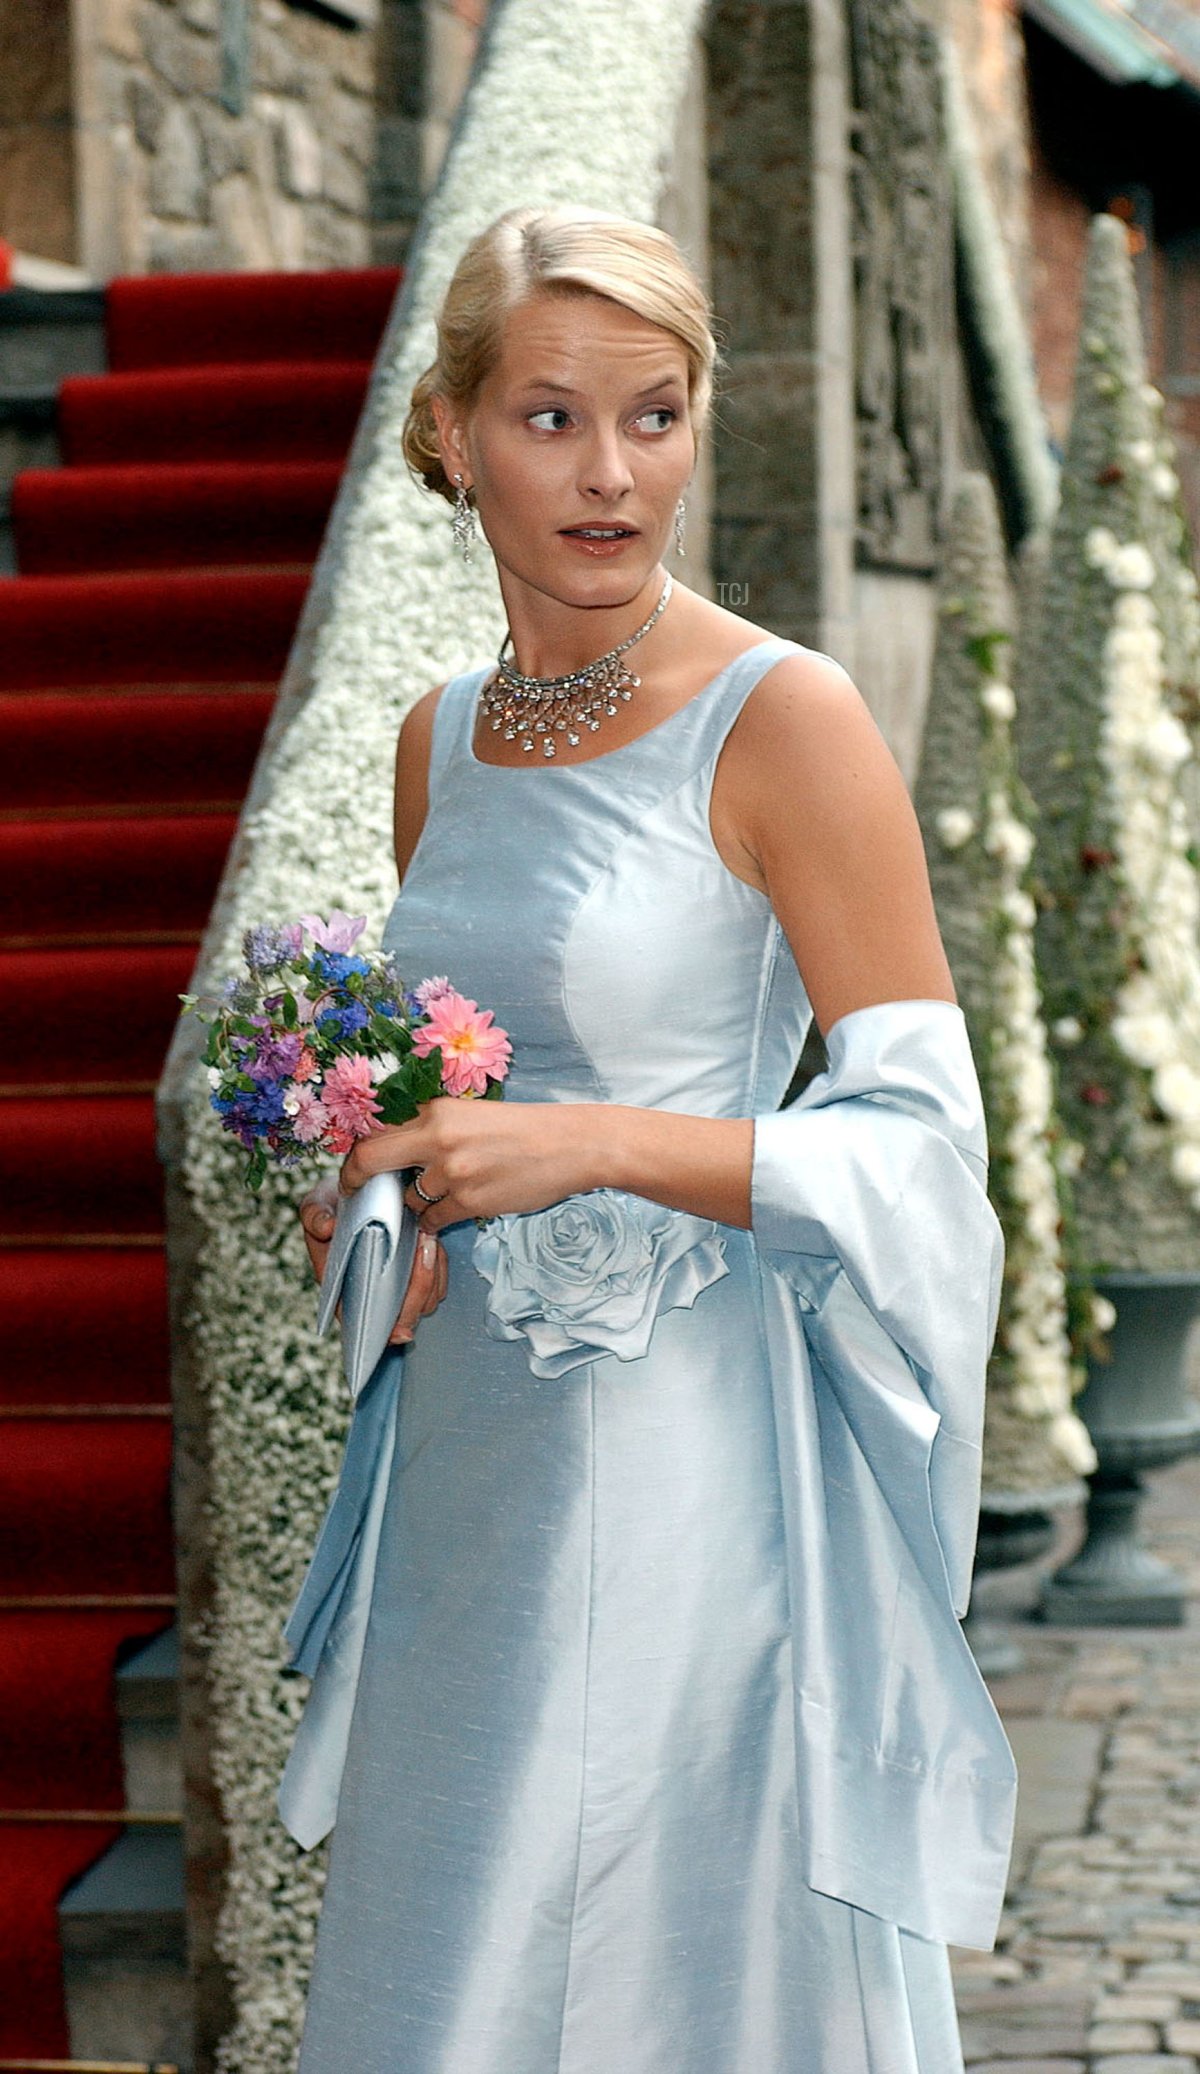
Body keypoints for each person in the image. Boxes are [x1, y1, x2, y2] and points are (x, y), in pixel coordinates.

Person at [283, 204, 1017, 2073]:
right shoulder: (436, 740)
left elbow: (928, 1150)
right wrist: (383, 1197)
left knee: (647, 1961)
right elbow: (463, 1073)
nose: (613, 474)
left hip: (690, 1468)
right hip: (469, 1459)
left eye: (658, 414)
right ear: (451, 435)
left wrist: (598, 1144)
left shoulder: (790, 722)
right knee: (459, 1940)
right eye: (549, 419)